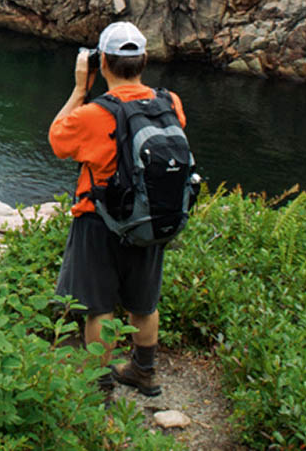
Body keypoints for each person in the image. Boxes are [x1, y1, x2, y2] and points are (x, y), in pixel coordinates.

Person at [47, 21, 186, 397]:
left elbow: (58, 140)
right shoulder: (170, 102)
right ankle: (144, 371)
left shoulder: (94, 113)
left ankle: (100, 384)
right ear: (143, 60)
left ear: (102, 62)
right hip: (149, 216)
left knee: (99, 306)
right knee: (144, 302)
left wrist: (80, 88)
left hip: (99, 219)